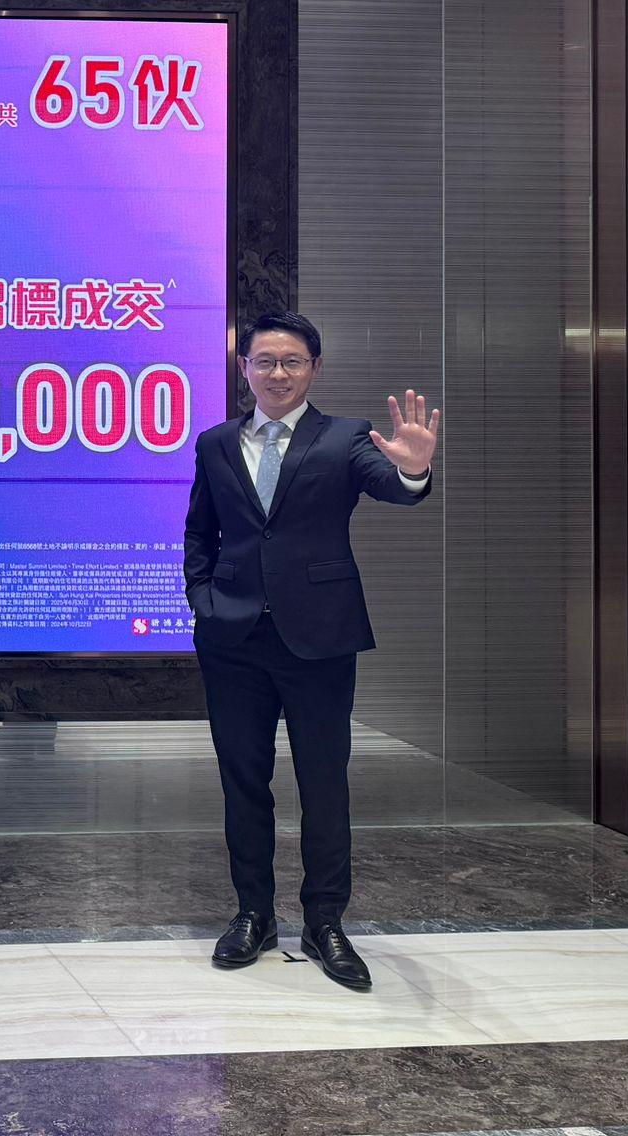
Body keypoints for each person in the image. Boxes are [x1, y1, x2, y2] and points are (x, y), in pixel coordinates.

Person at [182, 310, 438, 991]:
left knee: (324, 783)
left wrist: (413, 470)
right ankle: (253, 915)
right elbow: (200, 533)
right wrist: (204, 601)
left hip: (319, 638)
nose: (278, 373)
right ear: (244, 368)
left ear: (314, 368)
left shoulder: (346, 437)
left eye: (292, 361)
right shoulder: (215, 443)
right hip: (233, 640)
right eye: (264, 361)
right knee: (243, 781)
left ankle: (325, 922)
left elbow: (393, 485)